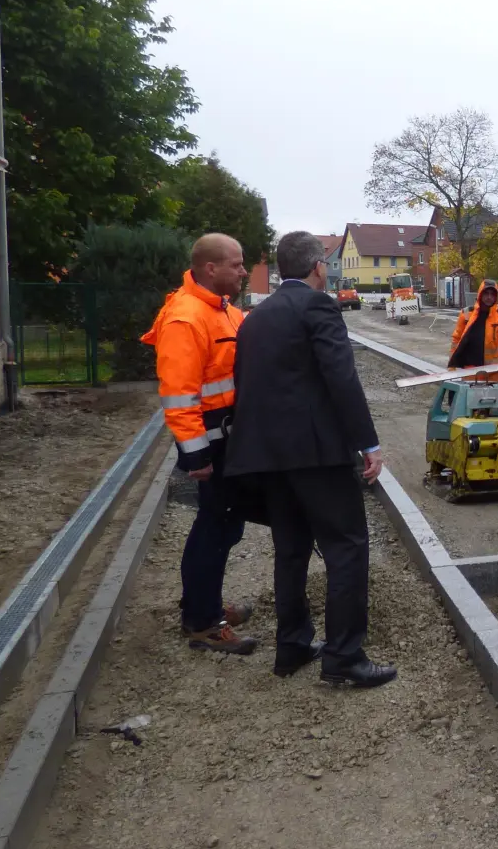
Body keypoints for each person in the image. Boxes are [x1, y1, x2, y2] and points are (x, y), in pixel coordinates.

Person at [224, 231, 397, 688]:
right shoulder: (318, 307)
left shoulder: (254, 318)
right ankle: (343, 657)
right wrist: (368, 444)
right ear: (318, 266)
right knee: (346, 547)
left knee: (291, 550)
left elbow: (245, 381)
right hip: (317, 454)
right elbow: (341, 378)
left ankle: (293, 645)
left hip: (269, 457)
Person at [141, 233, 258, 655]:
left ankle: (204, 602)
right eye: (238, 264)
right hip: (210, 441)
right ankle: (203, 622)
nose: (244, 272)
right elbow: (178, 395)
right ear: (211, 268)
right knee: (214, 526)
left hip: (226, 436)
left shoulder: (221, 311)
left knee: (224, 524)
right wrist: (197, 456)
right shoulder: (186, 319)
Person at [448, 278, 498, 382]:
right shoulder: (466, 314)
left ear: (496, 296)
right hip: (470, 370)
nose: (489, 297)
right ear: (480, 294)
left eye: (492, 294)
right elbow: (456, 339)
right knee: (471, 397)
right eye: (486, 293)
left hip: (494, 371)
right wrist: (452, 362)